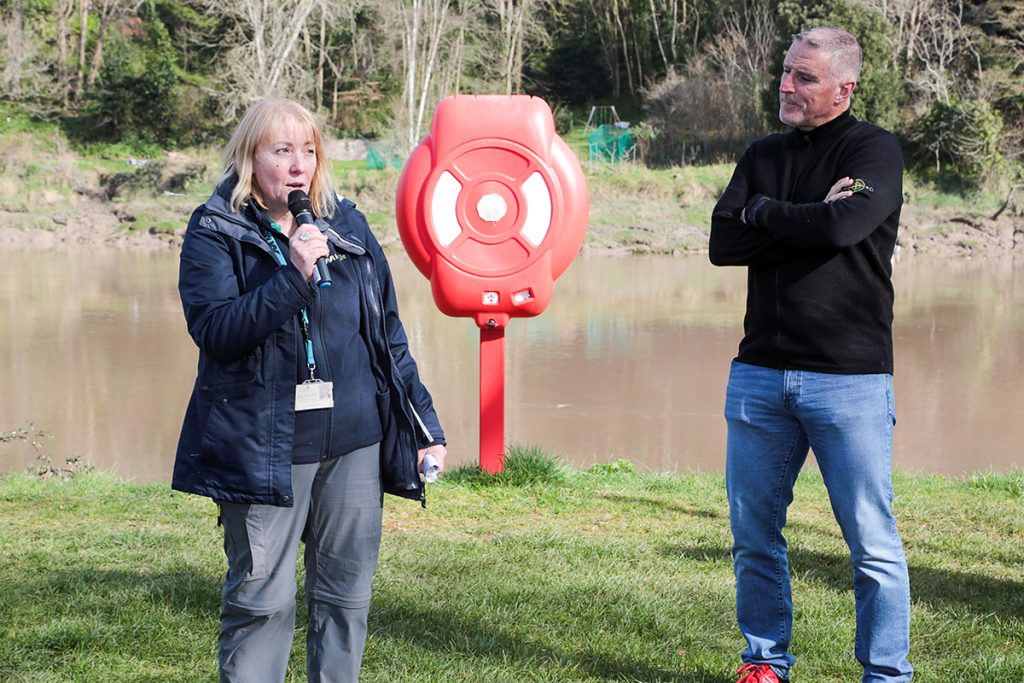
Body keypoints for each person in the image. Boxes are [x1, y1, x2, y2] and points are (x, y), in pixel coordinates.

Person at [172, 98, 447, 683]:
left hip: (354, 443)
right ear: (250, 157)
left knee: (345, 602)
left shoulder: (344, 221)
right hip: (265, 450)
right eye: (281, 150)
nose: (298, 165)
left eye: (308, 150)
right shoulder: (216, 228)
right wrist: (292, 277)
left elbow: (385, 331)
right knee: (261, 604)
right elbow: (216, 331)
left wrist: (423, 425)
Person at [709, 27, 913, 683]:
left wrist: (763, 216)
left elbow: (844, 226)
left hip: (849, 379)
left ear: (844, 87)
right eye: (786, 73)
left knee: (871, 543)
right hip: (758, 373)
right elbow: (722, 241)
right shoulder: (762, 153)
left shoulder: (873, 150)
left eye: (805, 77)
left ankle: (885, 673)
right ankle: (765, 663)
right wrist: (790, 214)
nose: (787, 86)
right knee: (753, 536)